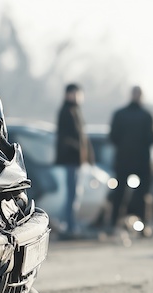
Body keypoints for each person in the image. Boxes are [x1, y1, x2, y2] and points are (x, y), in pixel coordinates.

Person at [108, 86, 153, 234]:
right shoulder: (147, 115)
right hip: (142, 160)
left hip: (123, 160)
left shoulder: (119, 114)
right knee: (143, 195)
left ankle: (114, 224)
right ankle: (143, 225)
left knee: (119, 193)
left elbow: (113, 137)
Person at [55, 83, 93, 237]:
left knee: (74, 194)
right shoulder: (66, 111)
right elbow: (66, 138)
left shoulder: (75, 111)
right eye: (76, 93)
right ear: (68, 94)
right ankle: (69, 227)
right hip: (71, 159)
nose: (78, 96)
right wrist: (78, 150)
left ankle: (70, 225)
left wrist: (88, 156)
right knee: (72, 195)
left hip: (76, 160)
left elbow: (82, 137)